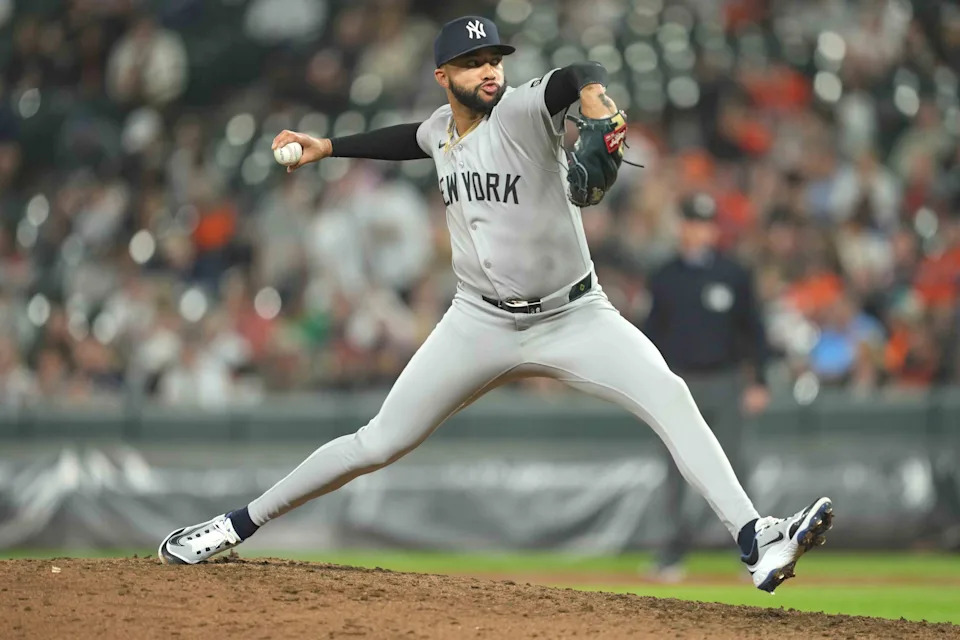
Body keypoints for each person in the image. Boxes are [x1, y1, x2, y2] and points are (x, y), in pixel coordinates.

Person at [158, 15, 833, 592]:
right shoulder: (439, 131)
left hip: (574, 316)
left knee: (668, 392)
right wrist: (328, 147)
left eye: (493, 59)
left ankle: (756, 536)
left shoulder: (519, 108)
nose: (488, 71)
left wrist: (595, 99)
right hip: (478, 321)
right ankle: (232, 526)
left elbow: (573, 71)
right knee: (377, 442)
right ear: (442, 77)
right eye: (471, 62)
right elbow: (407, 139)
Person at [643, 193, 771, 580]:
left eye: (705, 223)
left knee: (734, 469)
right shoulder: (665, 276)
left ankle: (750, 553)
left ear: (714, 229)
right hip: (680, 383)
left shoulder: (734, 274)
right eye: (692, 222)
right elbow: (652, 335)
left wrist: (759, 380)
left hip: (725, 380)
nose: (699, 231)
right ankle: (671, 554)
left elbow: (755, 332)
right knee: (676, 471)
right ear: (682, 226)